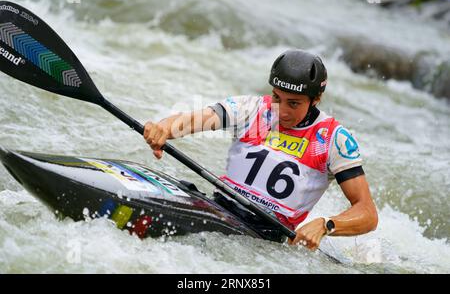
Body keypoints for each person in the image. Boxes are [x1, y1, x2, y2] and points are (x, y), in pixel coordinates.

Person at [143, 49, 378, 250]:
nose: (281, 110)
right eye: (277, 97)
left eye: (293, 103)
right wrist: (164, 128)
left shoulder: (332, 139)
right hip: (217, 208)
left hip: (263, 237)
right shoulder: (252, 108)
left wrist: (326, 224)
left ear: (316, 99)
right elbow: (195, 119)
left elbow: (367, 213)